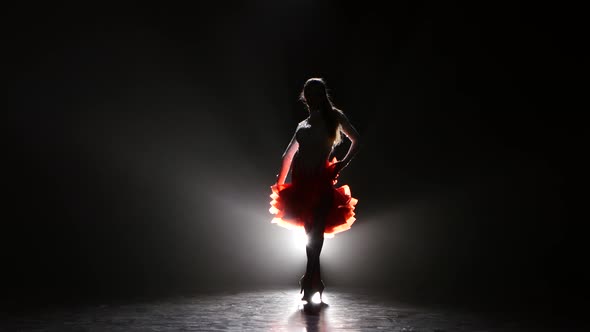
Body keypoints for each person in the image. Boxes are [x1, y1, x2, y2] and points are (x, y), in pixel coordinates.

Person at [269, 78, 360, 303]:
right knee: (310, 233)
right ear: (304, 96)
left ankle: (310, 277)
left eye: (318, 92)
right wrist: (280, 185)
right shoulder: (302, 125)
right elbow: (287, 156)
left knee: (316, 232)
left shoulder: (334, 117)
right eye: (309, 92)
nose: (313, 97)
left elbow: (356, 140)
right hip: (301, 183)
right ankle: (314, 280)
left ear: (323, 96)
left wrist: (343, 163)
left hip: (320, 181)